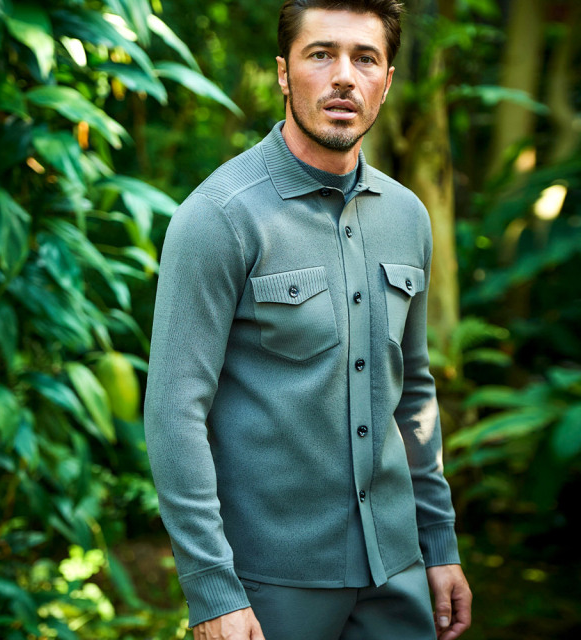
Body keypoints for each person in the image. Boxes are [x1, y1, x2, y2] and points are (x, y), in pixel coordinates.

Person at [144, 1, 472, 638]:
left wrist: (439, 542)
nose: (344, 76)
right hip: (269, 584)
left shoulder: (408, 216)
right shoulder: (219, 216)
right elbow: (174, 411)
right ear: (283, 73)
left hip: (397, 568)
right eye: (321, 54)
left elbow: (413, 391)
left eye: (365, 58)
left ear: (387, 81)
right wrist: (212, 590)